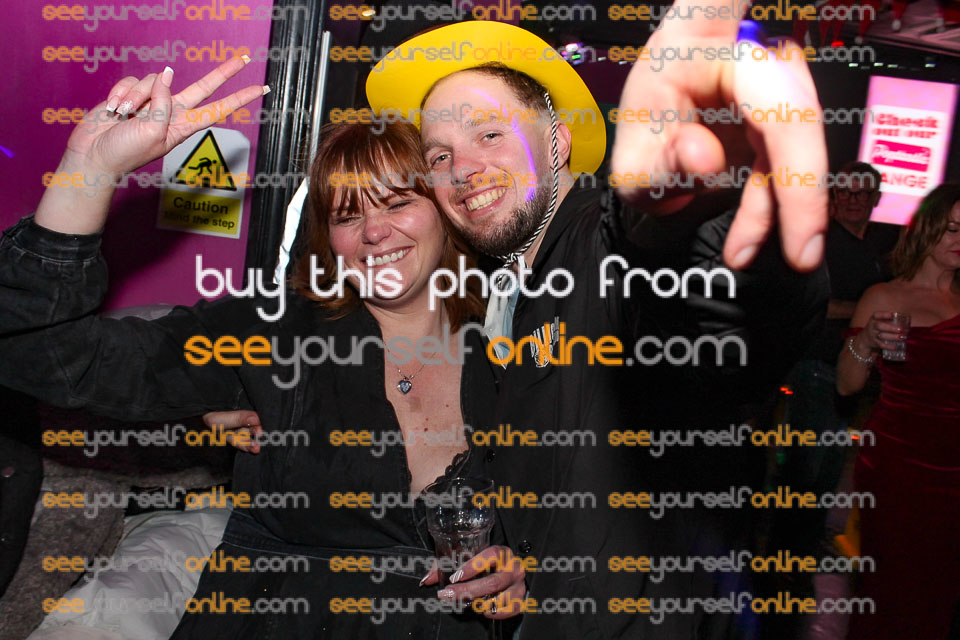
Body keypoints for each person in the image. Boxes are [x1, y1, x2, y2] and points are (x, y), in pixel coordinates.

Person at [0, 58, 526, 638]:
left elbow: (559, 517)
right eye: (347, 215)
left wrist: (519, 572)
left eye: (398, 202)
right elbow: (48, 352)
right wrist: (89, 169)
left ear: (446, 212)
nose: (374, 232)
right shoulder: (272, 331)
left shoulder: (511, 347)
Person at [358, 12, 830, 639]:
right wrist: (519, 563)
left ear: (556, 145)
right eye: (440, 155)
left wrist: (711, 190)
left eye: (490, 134)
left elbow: (705, 291)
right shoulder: (506, 291)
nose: (462, 169)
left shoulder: (601, 248)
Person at [837, 183, 960, 640]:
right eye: (952, 229)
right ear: (926, 229)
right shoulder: (885, 296)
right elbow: (847, 384)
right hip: (900, 465)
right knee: (892, 584)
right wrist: (866, 341)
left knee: (940, 588)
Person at [767, 162, 896, 583]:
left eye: (862, 193)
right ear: (834, 197)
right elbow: (804, 305)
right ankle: (783, 560)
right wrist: (867, 311)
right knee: (804, 472)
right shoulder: (820, 243)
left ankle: (805, 547)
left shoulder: (872, 248)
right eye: (845, 192)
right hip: (816, 370)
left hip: (848, 374)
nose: (853, 200)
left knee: (825, 471)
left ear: (876, 199)